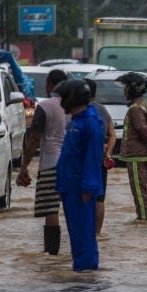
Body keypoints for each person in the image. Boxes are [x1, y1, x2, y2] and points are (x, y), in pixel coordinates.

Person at [54, 79, 104, 271]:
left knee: (83, 234)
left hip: (80, 189)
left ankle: (86, 274)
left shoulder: (91, 122)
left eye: (63, 98)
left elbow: (93, 157)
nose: (61, 102)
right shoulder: (77, 120)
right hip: (69, 186)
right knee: (76, 233)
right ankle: (80, 271)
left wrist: (88, 187)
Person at [16, 69, 68, 255]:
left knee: (51, 210)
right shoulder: (74, 106)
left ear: (49, 85)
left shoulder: (45, 107)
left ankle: (52, 254)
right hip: (72, 164)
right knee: (72, 208)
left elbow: (34, 139)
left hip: (50, 164)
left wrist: (24, 168)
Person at [116, 72, 147, 221]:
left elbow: (142, 130)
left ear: (133, 89)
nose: (124, 91)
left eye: (126, 87)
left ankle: (144, 221)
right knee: (146, 190)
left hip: (137, 156)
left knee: (141, 192)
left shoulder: (135, 108)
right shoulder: (144, 105)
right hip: (144, 154)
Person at [84, 78, 116, 235]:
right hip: (101, 158)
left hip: (84, 159)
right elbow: (112, 135)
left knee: (83, 196)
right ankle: (97, 233)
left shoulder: (80, 110)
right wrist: (108, 153)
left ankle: (85, 231)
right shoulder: (103, 110)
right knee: (99, 198)